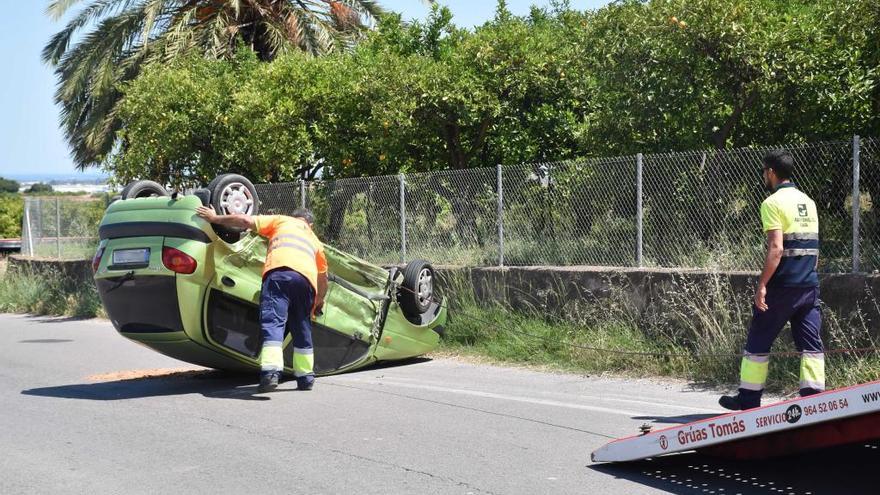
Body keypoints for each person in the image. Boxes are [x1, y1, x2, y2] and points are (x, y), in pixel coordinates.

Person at [719, 150, 824, 411]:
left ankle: (748, 399)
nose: (764, 176)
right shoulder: (808, 201)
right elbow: (814, 247)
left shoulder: (772, 203)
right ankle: (814, 400)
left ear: (771, 173)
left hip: (782, 286)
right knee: (811, 345)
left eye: (764, 171)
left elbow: (776, 248)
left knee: (758, 339)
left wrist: (762, 285)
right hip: (809, 285)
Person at [196, 206, 328, 392]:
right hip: (305, 283)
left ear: (294, 217)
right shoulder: (315, 241)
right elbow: (323, 277)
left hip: (279, 274)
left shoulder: (282, 220)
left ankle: (271, 373)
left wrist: (215, 218)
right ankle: (305, 378)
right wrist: (319, 299)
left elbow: (244, 221)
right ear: (310, 225)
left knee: (274, 323)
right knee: (302, 327)